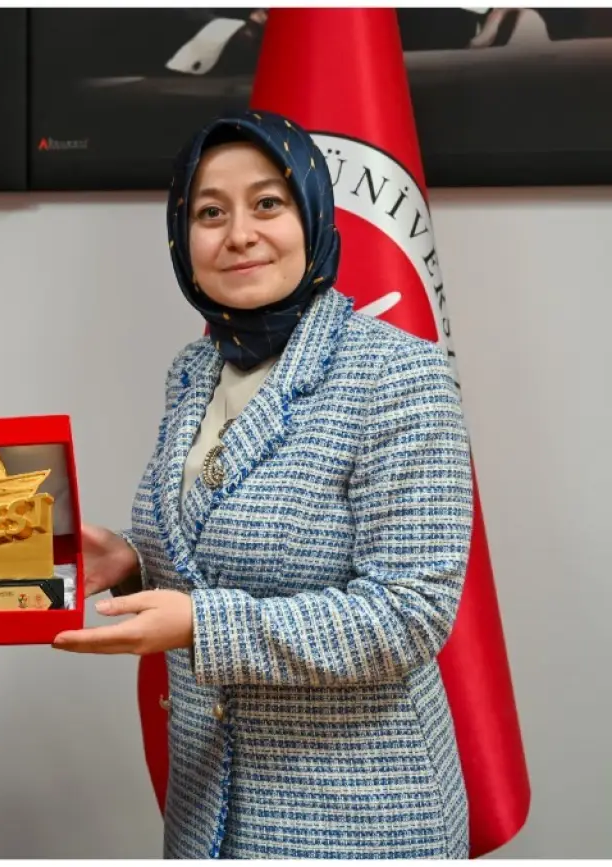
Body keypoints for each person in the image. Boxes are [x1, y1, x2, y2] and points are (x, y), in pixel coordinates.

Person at [52, 110, 474, 858]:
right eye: (210, 213)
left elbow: (410, 613)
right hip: (206, 806)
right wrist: (132, 559)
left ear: (312, 214)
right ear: (182, 238)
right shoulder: (194, 369)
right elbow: (208, 546)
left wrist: (201, 626)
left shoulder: (398, 372)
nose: (239, 234)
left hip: (356, 815)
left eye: (268, 203)